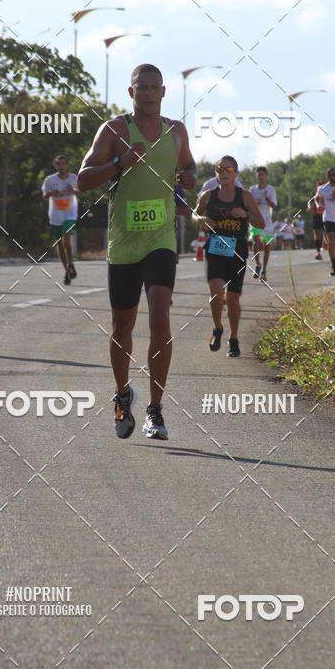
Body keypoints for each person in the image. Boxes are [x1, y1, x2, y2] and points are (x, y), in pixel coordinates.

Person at [77, 64, 196, 441]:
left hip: (160, 239)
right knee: (121, 328)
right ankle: (122, 393)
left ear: (164, 92)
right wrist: (118, 163)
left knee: (160, 317)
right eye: (140, 87)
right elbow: (82, 180)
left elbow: (188, 166)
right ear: (131, 93)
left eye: (153, 87)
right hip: (124, 243)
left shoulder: (176, 131)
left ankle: (156, 410)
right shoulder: (113, 130)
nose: (147, 93)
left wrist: (189, 177)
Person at [193, 156, 263, 357]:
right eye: (219, 169)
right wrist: (201, 219)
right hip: (215, 248)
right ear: (216, 173)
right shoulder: (208, 196)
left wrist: (246, 216)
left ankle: (234, 338)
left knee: (232, 298)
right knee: (215, 292)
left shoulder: (246, 197)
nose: (224, 173)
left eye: (228, 169)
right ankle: (217, 328)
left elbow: (261, 223)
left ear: (236, 173)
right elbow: (194, 214)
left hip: (237, 251)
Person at [42, 154, 79, 285]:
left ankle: (70, 263)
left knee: (66, 240)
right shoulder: (49, 180)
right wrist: (52, 193)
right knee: (59, 243)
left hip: (70, 214)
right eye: (59, 164)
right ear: (55, 166)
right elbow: (45, 195)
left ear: (67, 165)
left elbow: (81, 191)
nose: (61, 166)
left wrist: (72, 191)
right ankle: (67, 271)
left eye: (64, 163)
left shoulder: (74, 178)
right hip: (56, 215)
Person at [248, 166, 277, 283]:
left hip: (267, 222)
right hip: (255, 220)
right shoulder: (252, 190)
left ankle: (264, 270)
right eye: (258, 174)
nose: (260, 177)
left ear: (266, 176)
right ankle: (257, 264)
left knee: (266, 246)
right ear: (256, 176)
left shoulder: (270, 189)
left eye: (263, 174)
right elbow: (248, 205)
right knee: (255, 240)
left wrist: (266, 197)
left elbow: (274, 206)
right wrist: (254, 203)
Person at [317, 167, 335, 276]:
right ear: (327, 176)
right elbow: (316, 198)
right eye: (331, 174)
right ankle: (334, 265)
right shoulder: (322, 188)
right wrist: (318, 204)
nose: (333, 176)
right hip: (328, 218)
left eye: (334, 174)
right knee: (331, 240)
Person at [308, 178, 325, 258]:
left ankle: (331, 250)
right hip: (317, 215)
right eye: (319, 186)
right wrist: (308, 208)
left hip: (325, 215)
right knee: (317, 233)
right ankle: (318, 252)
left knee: (327, 234)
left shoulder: (326, 194)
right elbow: (309, 202)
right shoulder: (315, 195)